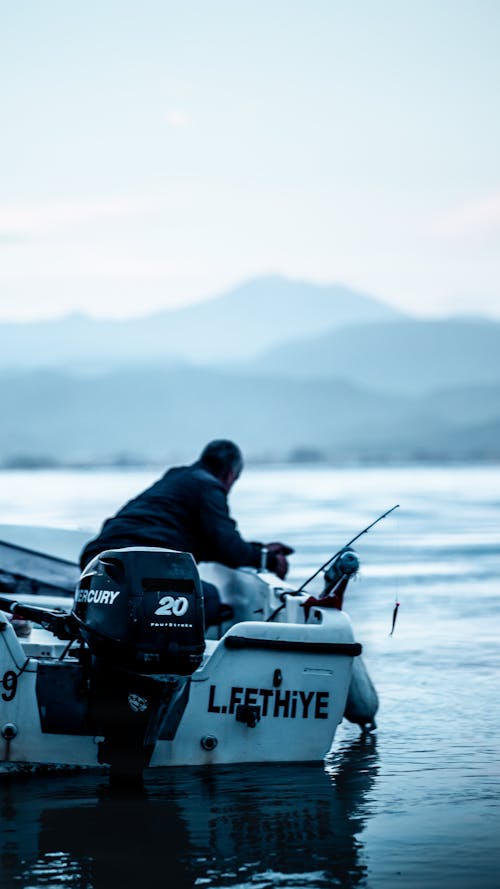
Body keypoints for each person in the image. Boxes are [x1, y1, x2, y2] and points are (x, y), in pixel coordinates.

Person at [79, 440, 294, 627]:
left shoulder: (178, 478)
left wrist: (261, 550)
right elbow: (228, 546)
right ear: (230, 474)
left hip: (97, 561)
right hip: (137, 565)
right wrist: (270, 560)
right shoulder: (209, 486)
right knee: (207, 599)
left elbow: (212, 544)